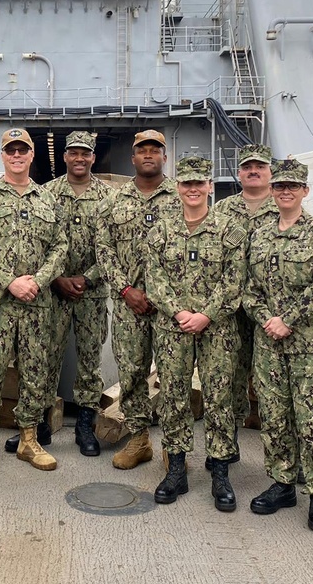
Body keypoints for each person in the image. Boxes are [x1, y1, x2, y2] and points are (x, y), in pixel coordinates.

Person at [243, 158, 313, 533]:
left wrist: (288, 319)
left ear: (305, 191)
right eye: (280, 186)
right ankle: (283, 483)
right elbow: (249, 287)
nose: (286, 191)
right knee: (275, 417)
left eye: (293, 186)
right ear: (272, 191)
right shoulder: (260, 235)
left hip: (312, 348)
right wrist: (267, 317)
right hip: (269, 345)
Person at [0, 127, 67, 479]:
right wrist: (11, 281)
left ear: (32, 154)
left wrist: (36, 282)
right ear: (3, 155)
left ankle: (28, 439)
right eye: (11, 150)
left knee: (35, 373)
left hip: (36, 304)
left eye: (23, 150)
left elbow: (60, 248)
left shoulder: (47, 200)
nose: (17, 155)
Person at [145, 155, 247, 508]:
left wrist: (206, 314)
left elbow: (235, 281)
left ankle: (220, 472)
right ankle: (176, 468)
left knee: (219, 398)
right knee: (173, 397)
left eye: (198, 183)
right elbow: (154, 279)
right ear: (178, 188)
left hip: (216, 329)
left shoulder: (230, 231)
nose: (192, 189)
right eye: (186, 183)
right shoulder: (160, 231)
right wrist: (179, 312)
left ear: (209, 187)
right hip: (173, 329)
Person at [95, 129, 180, 470]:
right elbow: (104, 250)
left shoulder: (181, 197)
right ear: (132, 158)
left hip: (171, 307)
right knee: (131, 374)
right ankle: (139, 439)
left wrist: (169, 296)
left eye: (154, 149)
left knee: (174, 376)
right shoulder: (113, 202)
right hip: (129, 304)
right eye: (141, 150)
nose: (148, 154)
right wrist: (126, 291)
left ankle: (174, 448)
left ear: (164, 157)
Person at [27, 130, 113, 457]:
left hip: (91, 293)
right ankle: (40, 425)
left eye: (85, 153)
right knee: (46, 358)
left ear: (93, 157)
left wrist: (86, 279)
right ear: (64, 156)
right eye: (73, 152)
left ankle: (84, 427)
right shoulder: (47, 194)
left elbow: (112, 246)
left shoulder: (108, 197)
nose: (79, 158)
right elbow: (40, 244)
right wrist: (59, 278)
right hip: (54, 291)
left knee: (90, 360)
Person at [211, 143, 280, 466]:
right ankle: (227, 444)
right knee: (229, 379)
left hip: (270, 313)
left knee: (272, 382)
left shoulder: (284, 208)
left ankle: (281, 456)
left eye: (260, 167)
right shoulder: (223, 211)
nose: (253, 171)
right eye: (248, 167)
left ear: (270, 173)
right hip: (232, 312)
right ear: (239, 173)